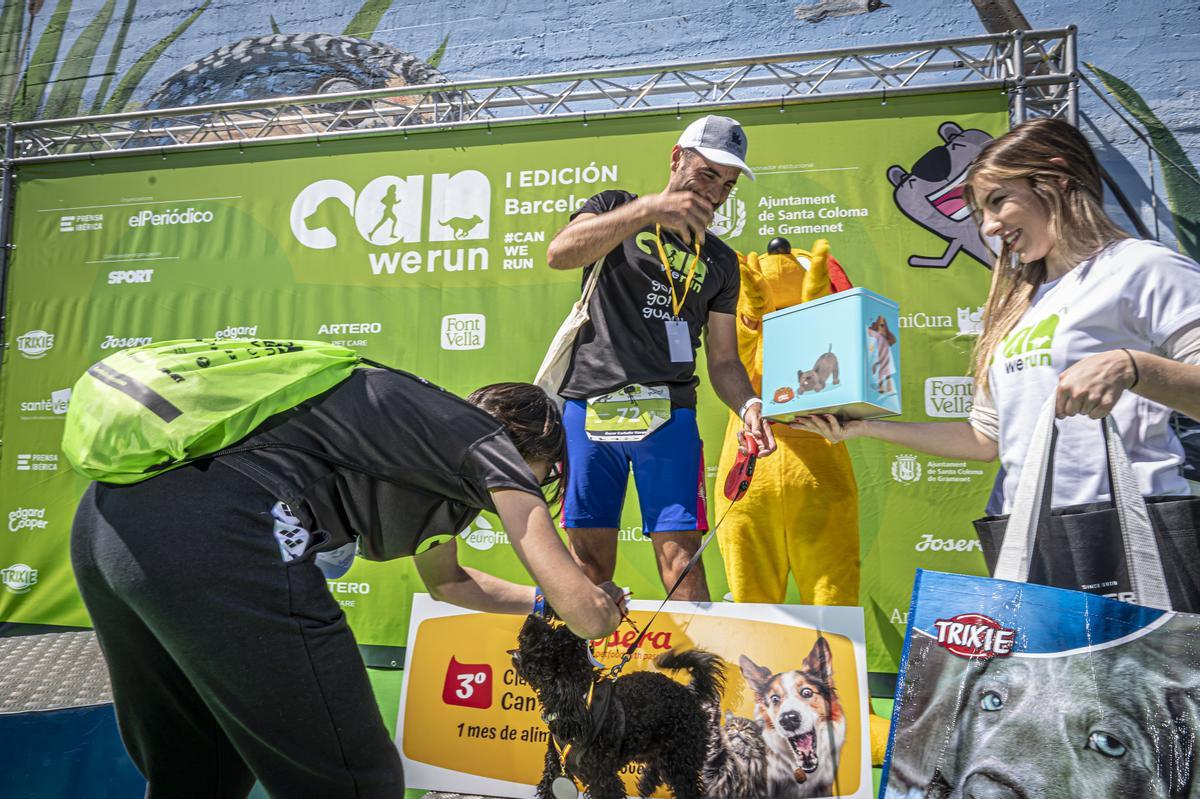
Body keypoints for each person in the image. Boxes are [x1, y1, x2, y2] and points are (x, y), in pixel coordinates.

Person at [70, 371, 625, 797]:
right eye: (547, 471)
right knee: (356, 783)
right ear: (537, 454)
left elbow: (451, 582)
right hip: (223, 529)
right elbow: (588, 617)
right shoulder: (487, 446)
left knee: (201, 772)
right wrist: (594, 603)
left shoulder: (421, 450)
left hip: (109, 521)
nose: (544, 482)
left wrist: (539, 601)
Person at [794, 117, 1200, 515]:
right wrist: (862, 427)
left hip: (1129, 534)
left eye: (998, 201)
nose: (988, 227)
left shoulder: (1143, 267)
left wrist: (1131, 366)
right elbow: (984, 439)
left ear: (1057, 179)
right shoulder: (1014, 306)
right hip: (1028, 539)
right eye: (978, 212)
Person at [545, 114, 776, 602]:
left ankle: (695, 676)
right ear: (677, 159)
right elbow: (561, 253)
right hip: (589, 407)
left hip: (668, 415)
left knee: (683, 559)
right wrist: (646, 210)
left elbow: (723, 360)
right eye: (707, 175)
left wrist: (750, 405)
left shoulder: (721, 261)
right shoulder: (617, 208)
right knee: (587, 561)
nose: (715, 193)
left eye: (727, 185)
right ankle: (577, 673)